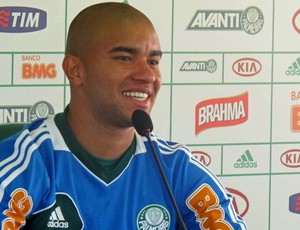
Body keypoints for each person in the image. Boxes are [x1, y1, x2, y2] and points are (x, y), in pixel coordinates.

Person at [0, 2, 247, 229]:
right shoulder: (27, 162)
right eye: (124, 58)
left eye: (153, 61)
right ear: (75, 70)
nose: (148, 76)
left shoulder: (176, 169)